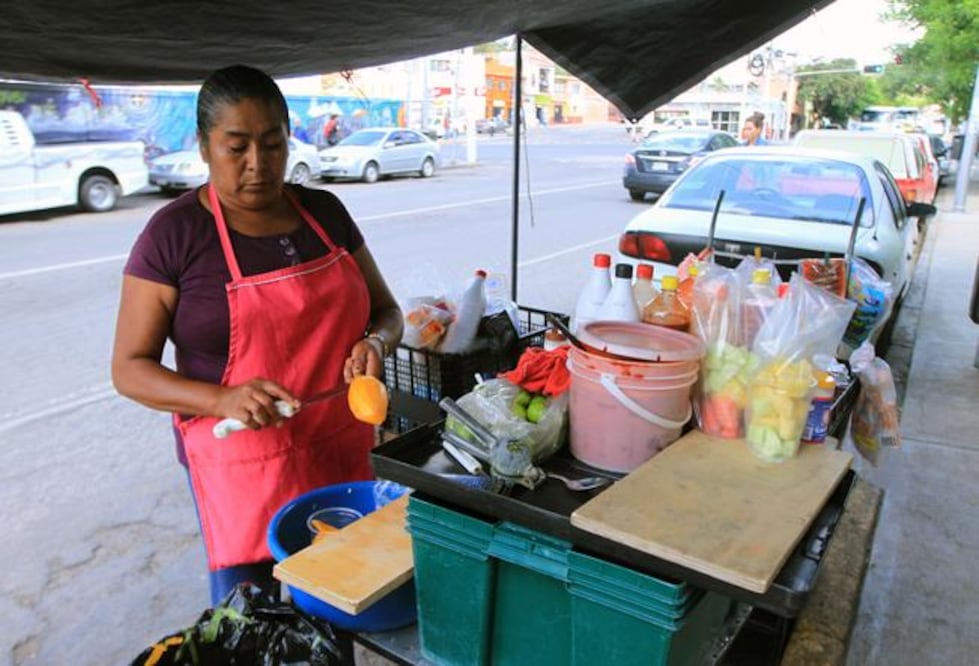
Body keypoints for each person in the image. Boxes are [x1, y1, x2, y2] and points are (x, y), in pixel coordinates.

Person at [111, 65, 403, 606]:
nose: (257, 165)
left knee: (340, 600)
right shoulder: (174, 236)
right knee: (255, 618)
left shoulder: (324, 212)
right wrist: (221, 398)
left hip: (339, 449)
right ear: (203, 147)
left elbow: (386, 311)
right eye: (236, 147)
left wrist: (377, 344)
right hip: (242, 467)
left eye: (272, 145)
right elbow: (129, 368)